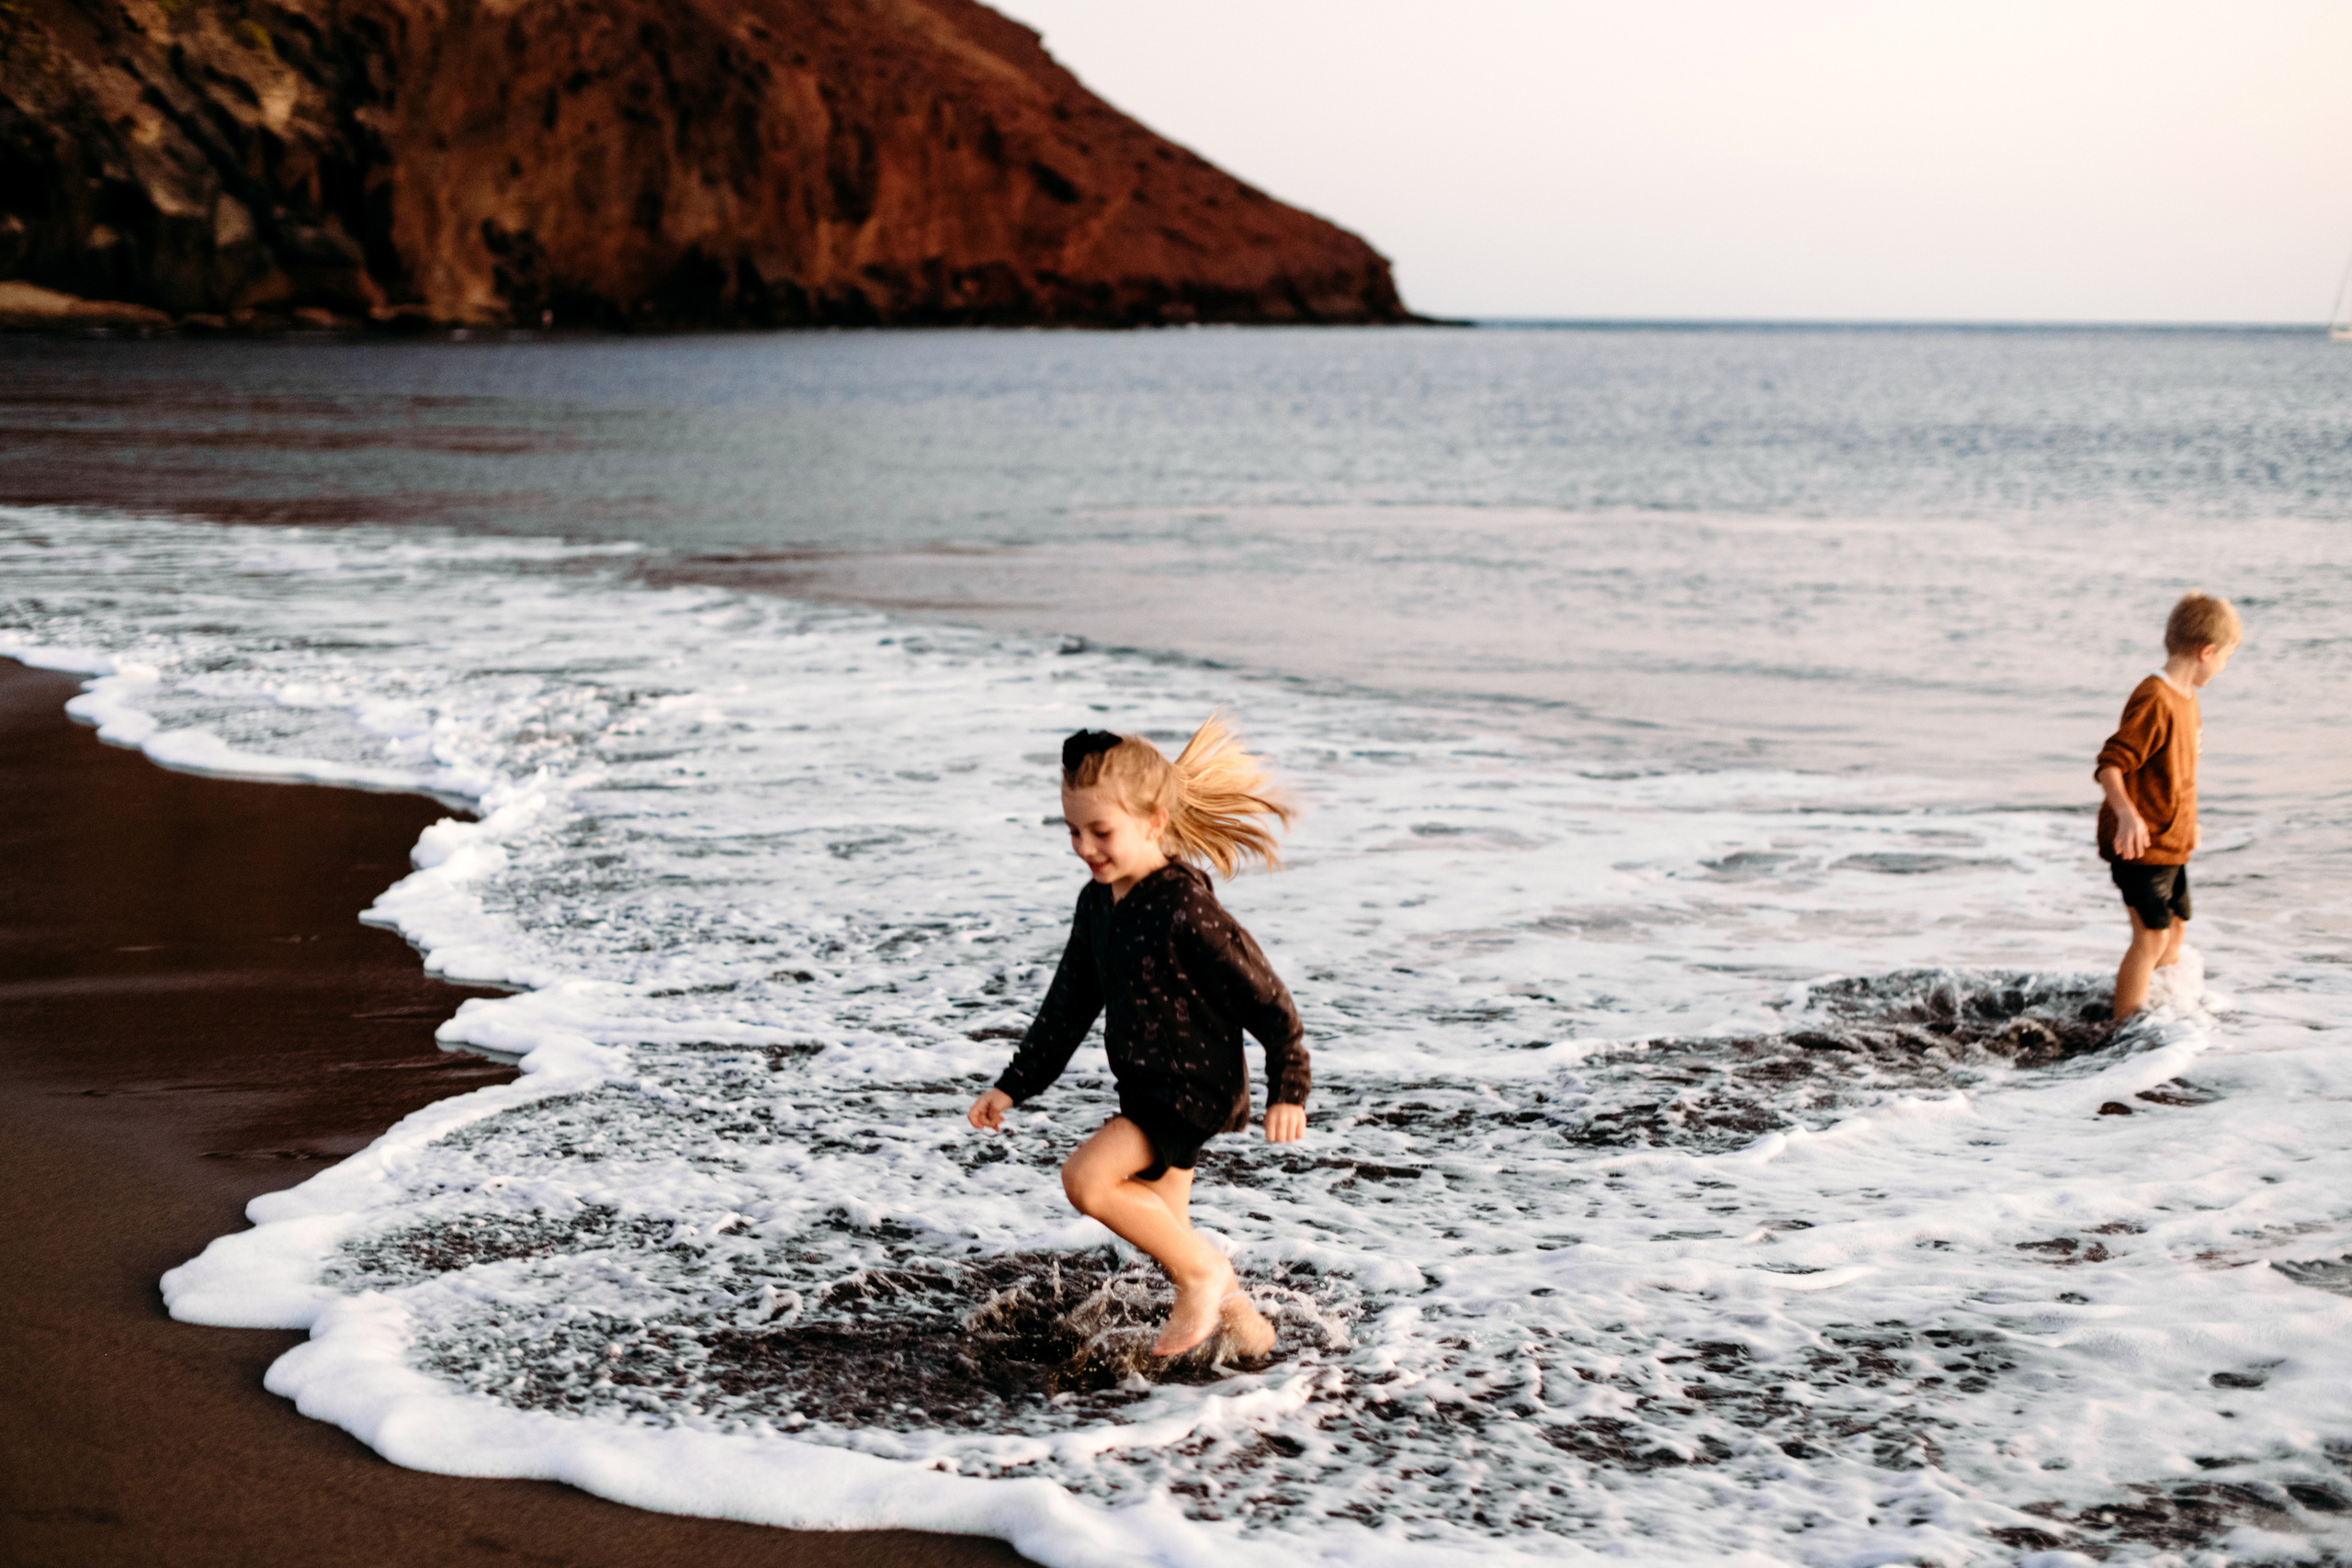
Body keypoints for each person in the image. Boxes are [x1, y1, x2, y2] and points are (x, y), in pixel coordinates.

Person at [967, 716, 1308, 1359]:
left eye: (1101, 831)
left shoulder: (1184, 906)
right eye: (1073, 830)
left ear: (1153, 821)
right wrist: (1014, 1084)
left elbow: (1268, 998)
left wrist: (1288, 1086)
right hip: (1147, 1083)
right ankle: (1246, 1331)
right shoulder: (1097, 904)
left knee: (1088, 1181)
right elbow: (1067, 1007)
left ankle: (1204, 1277)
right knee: (1165, 1220)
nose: (1084, 846)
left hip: (1191, 1086)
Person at [2094, 591, 2241, 1021]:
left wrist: (2189, 827)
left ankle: (2159, 1009)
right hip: (2140, 845)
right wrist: (2126, 814)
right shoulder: (2156, 698)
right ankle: (2126, 1025)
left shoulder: (2187, 698)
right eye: (2226, 658)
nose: (2223, 668)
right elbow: (2110, 765)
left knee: (2175, 931)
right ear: (2206, 651)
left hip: (2170, 843)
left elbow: (2180, 778)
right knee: (2150, 939)